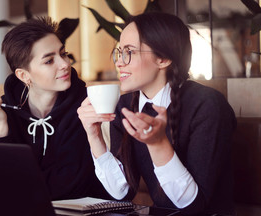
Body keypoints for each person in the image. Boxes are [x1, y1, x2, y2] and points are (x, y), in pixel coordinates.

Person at [77, 12, 236, 215]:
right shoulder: (126, 105)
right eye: (119, 52)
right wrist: (94, 136)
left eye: (130, 52)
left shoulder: (207, 105)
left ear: (163, 58)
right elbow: (122, 192)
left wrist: (158, 144)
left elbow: (195, 207)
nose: (119, 62)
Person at [0, 17, 108, 200]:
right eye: (49, 61)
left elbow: (69, 186)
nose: (65, 64)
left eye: (63, 53)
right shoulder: (6, 109)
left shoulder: (85, 106)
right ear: (23, 75)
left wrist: (16, 184)